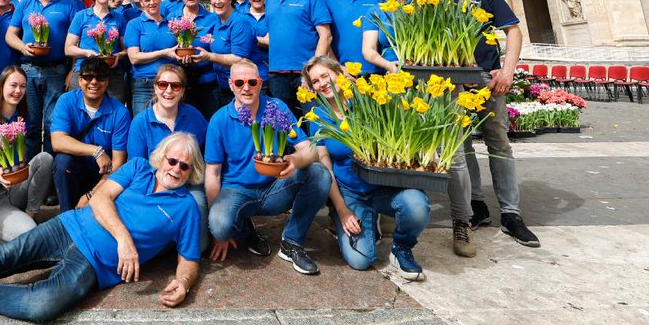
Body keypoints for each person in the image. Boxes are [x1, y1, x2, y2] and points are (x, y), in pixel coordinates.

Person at [0, 132, 204, 325]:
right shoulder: (138, 168)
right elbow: (101, 199)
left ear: (192, 172)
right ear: (161, 158)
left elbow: (188, 259)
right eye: (172, 161)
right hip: (68, 226)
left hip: (95, 263)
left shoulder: (186, 207)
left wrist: (184, 283)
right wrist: (125, 240)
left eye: (184, 166)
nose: (175, 169)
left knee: (42, 306)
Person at [426, 0, 539, 252]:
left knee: (498, 143)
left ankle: (511, 213)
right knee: (461, 148)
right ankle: (476, 205)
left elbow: (513, 30)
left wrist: (507, 70)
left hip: (488, 81)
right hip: (449, 86)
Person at [303, 57, 429, 281]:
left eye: (325, 76)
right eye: (315, 81)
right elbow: (326, 166)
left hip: (385, 188)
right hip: (351, 193)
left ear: (339, 74)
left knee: (417, 205)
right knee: (361, 260)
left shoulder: (369, 103)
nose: (322, 83)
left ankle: (401, 248)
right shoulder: (318, 117)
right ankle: (365, 220)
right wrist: (341, 210)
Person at [205, 61, 332, 274]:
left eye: (252, 82)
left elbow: (310, 150)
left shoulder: (276, 107)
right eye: (239, 82)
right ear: (230, 84)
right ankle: (244, 230)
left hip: (275, 188)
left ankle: (292, 242)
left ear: (260, 83)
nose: (246, 87)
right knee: (220, 225)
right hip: (236, 192)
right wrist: (218, 231)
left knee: (319, 173)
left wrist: (294, 161)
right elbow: (212, 173)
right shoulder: (220, 120)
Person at [126, 64, 209, 250]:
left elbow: (210, 150)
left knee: (200, 242)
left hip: (187, 180)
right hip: (156, 183)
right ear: (155, 87)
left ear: (182, 91)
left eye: (175, 86)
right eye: (163, 85)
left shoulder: (193, 116)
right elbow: (137, 167)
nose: (168, 91)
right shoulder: (141, 122)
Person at [0, 67, 54, 244]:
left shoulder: (21, 118)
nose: (18, 91)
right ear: (1, 87)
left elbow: (21, 158)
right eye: (13, 85)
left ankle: (31, 214)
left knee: (45, 158)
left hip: (15, 190)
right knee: (29, 233)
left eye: (22, 86)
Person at [7, 0, 82, 155]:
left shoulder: (68, 4)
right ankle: (31, 170)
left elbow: (77, 40)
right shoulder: (25, 4)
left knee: (52, 124)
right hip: (29, 69)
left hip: (56, 71)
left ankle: (49, 170)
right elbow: (10, 35)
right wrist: (23, 47)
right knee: (30, 123)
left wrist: (72, 71)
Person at [50, 57, 130, 212]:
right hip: (75, 171)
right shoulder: (66, 101)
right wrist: (96, 151)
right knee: (62, 161)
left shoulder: (120, 112)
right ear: (79, 80)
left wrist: (92, 194)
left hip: (103, 176)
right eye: (88, 77)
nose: (94, 82)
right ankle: (66, 217)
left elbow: (118, 163)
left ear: (107, 82)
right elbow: (57, 142)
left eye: (100, 77)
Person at [265, 0, 332, 115]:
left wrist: (312, 72)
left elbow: (326, 35)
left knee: (315, 122)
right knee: (286, 129)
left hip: (304, 74)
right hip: (277, 75)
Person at [191, 0, 255, 117]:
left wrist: (209, 56)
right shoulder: (217, 20)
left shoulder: (240, 22)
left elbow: (239, 58)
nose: (217, 1)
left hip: (241, 86)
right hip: (222, 85)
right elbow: (209, 40)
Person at [67, 0, 129, 106]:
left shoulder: (118, 18)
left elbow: (126, 50)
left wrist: (117, 56)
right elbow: (68, 48)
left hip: (112, 73)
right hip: (85, 71)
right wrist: (87, 53)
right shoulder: (81, 16)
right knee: (78, 111)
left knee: (114, 111)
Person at [126, 0, 182, 115]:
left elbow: (179, 49)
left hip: (170, 83)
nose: (152, 3)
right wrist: (164, 53)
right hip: (144, 83)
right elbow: (134, 58)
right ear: (141, 2)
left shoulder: (172, 24)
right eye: (147, 0)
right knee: (143, 124)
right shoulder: (134, 25)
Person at [171, 0, 216, 116]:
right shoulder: (171, 17)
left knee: (209, 118)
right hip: (180, 80)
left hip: (207, 80)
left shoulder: (212, 18)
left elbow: (215, 47)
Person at [361, 0, 415, 74]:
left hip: (426, 71)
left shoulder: (424, 7)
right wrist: (387, 65)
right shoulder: (376, 12)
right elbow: (368, 50)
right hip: (393, 73)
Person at [241, 0, 270, 87]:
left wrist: (249, 38)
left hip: (273, 75)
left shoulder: (273, 14)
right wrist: (263, 40)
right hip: (249, 78)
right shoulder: (240, 17)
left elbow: (276, 42)